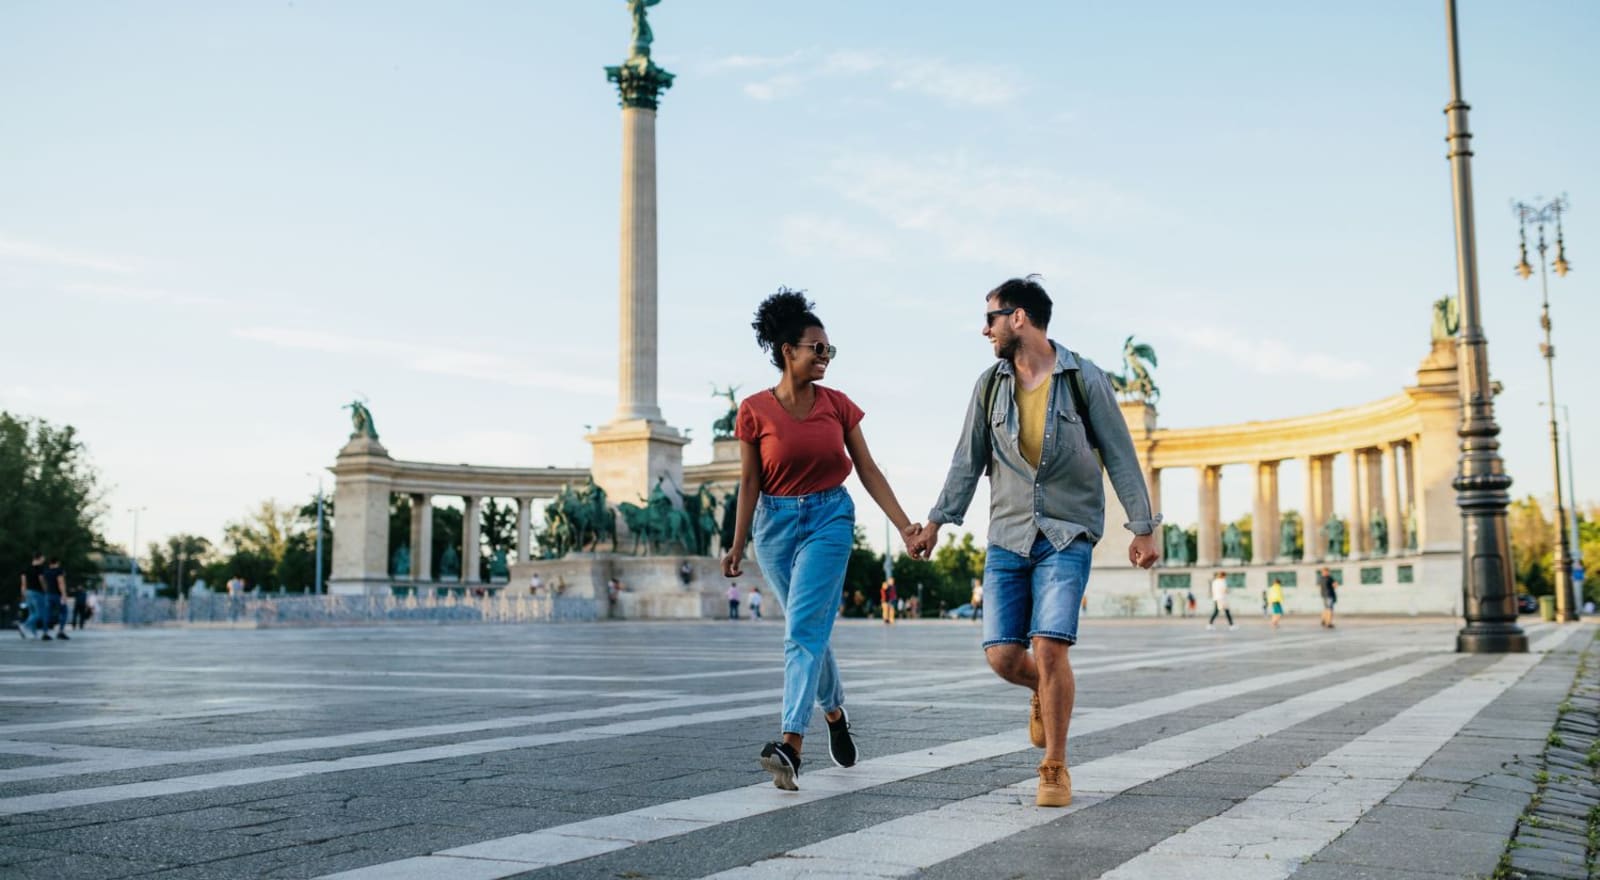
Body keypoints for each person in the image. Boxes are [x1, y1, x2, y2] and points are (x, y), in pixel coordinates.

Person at [908, 276, 1160, 809]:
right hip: (1008, 533)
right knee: (1003, 656)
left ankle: (1055, 765)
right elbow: (966, 460)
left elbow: (1120, 452)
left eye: (992, 318)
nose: (986, 330)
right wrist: (936, 522)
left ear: (1019, 317)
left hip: (1067, 532)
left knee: (1049, 646)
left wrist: (1142, 525)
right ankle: (1040, 692)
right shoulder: (988, 386)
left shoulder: (1084, 378)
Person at [723, 288, 921, 791]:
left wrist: (904, 526)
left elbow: (868, 470)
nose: (825, 356)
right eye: (817, 348)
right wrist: (737, 543)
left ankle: (791, 744)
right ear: (788, 351)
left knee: (802, 630)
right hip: (774, 527)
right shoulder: (753, 410)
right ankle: (834, 712)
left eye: (829, 349)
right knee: (807, 628)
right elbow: (749, 481)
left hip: (830, 518)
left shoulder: (838, 406)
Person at [17, 552, 49, 640]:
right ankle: (24, 626)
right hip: (38, 592)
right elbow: (41, 580)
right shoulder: (40, 568)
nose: (44, 560)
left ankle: (34, 634)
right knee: (39, 613)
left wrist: (23, 594)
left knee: (32, 613)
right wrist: (46, 590)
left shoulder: (26, 569)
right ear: (39, 558)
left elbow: (23, 583)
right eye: (43, 558)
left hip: (28, 592)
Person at [45, 557, 70, 640]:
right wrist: (64, 594)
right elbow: (61, 583)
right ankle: (60, 631)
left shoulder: (46, 571)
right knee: (64, 612)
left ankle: (46, 632)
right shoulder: (59, 571)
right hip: (58, 595)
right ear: (57, 562)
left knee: (48, 613)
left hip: (48, 594)